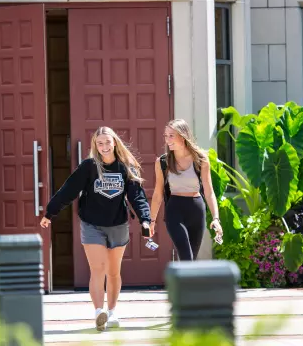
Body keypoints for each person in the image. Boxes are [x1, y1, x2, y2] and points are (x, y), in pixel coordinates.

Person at [40, 127, 152, 331]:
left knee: (114, 272)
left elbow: (137, 196)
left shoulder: (126, 168)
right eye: (100, 143)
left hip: (118, 224)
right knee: (98, 269)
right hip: (92, 224)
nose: (104, 147)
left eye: (107, 142)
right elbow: (69, 190)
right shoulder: (89, 167)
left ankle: (111, 312)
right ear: (95, 146)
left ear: (115, 143)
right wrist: (50, 212)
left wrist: (145, 219)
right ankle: (98, 311)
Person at [149, 119, 224, 261]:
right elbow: (158, 193)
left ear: (183, 137)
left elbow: (209, 191)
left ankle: (183, 283)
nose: (167, 139)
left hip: (197, 209)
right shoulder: (163, 162)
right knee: (186, 257)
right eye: (166, 136)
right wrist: (152, 220)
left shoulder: (201, 159)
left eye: (171, 135)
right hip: (175, 210)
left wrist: (216, 218)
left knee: (191, 260)